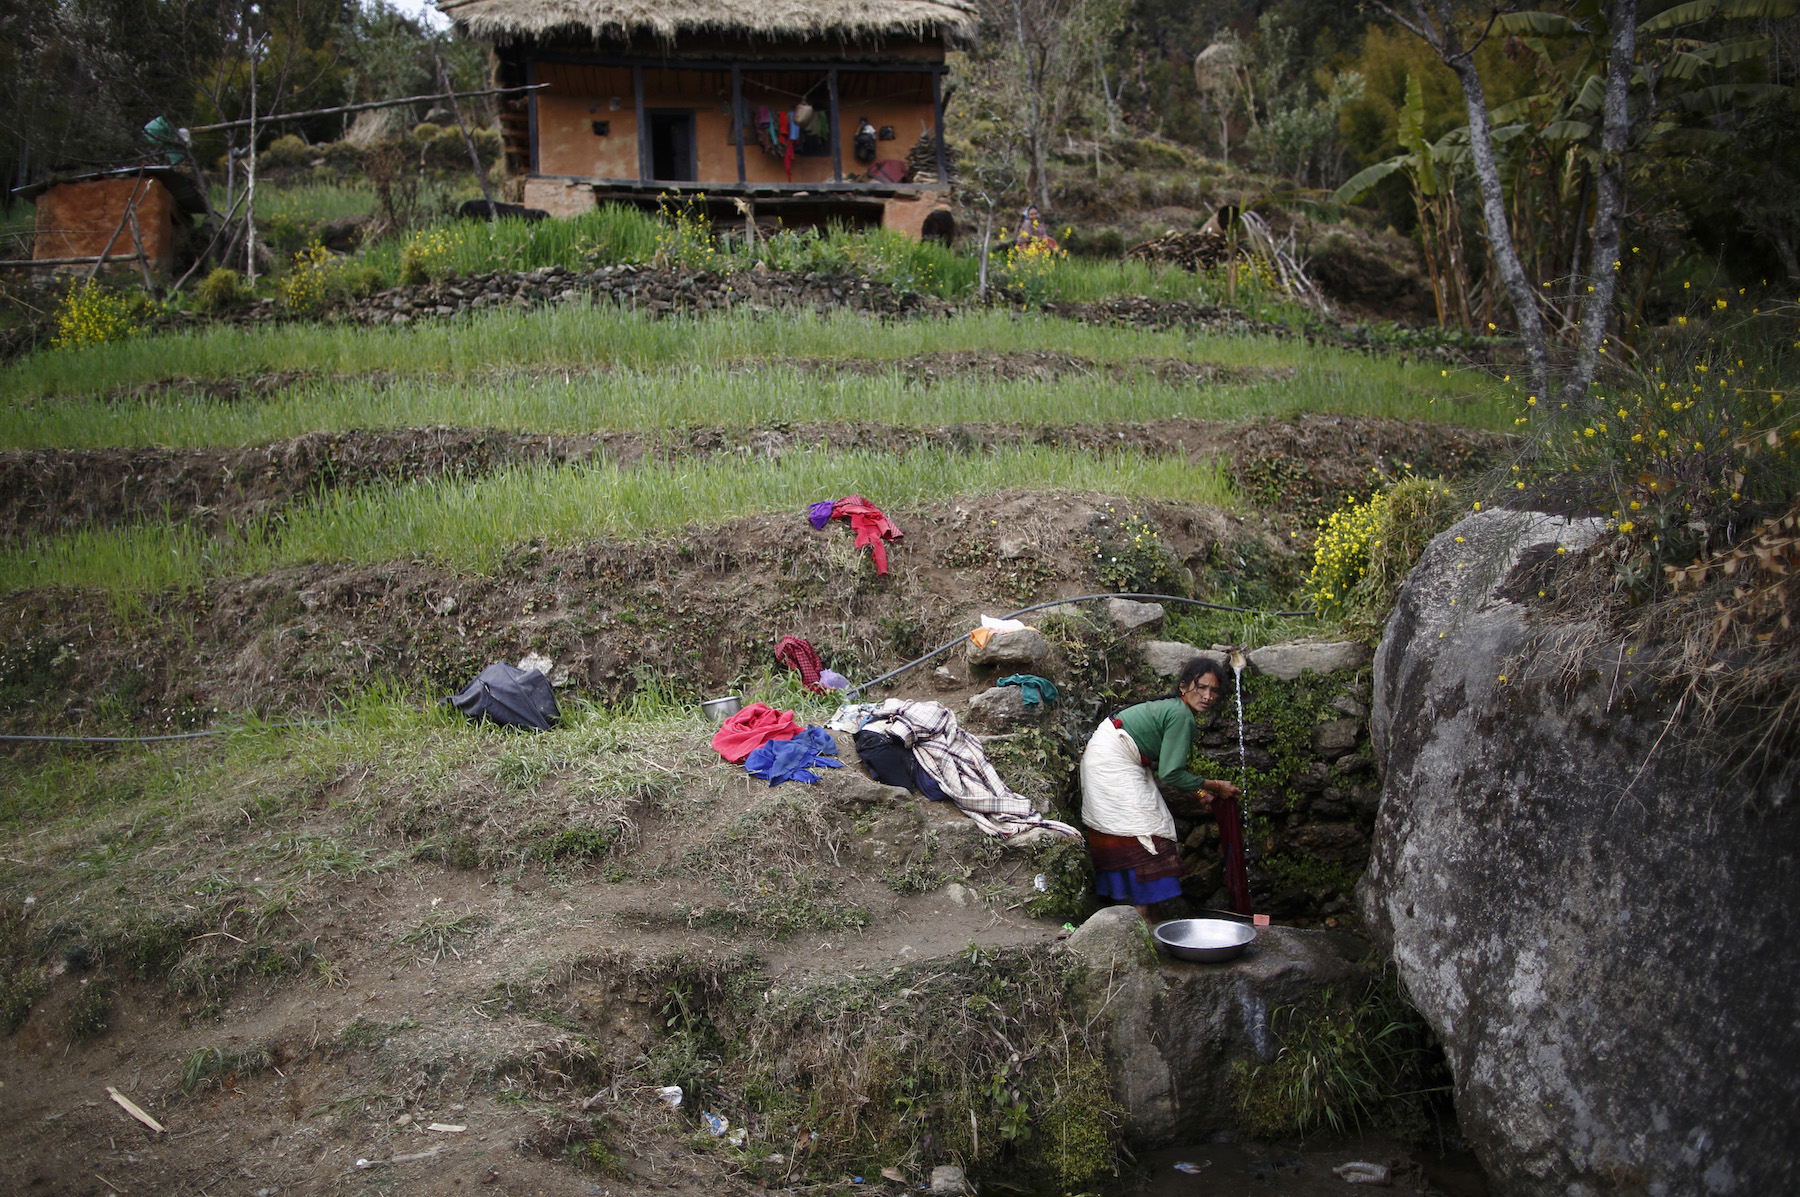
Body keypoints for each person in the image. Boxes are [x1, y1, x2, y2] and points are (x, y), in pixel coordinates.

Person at [1079, 657, 1243, 922]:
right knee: (1147, 832)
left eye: (1213, 690)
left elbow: (1167, 767)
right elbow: (1170, 773)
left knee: (1140, 827)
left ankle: (1152, 921)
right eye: (1201, 687)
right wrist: (1214, 786)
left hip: (1108, 758)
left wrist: (1199, 792)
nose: (1207, 696)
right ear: (1184, 686)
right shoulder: (1180, 716)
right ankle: (1141, 918)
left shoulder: (1175, 709)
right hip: (1111, 763)